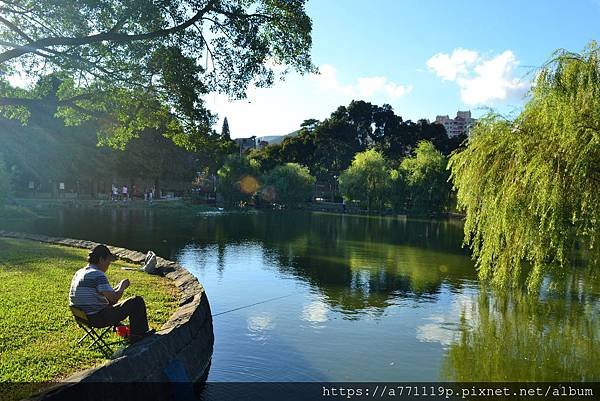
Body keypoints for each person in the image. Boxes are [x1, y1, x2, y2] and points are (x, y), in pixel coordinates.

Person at [69, 244, 154, 342]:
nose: (108, 265)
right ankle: (138, 336)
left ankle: (125, 331)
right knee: (136, 301)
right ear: (101, 259)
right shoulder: (97, 274)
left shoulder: (80, 272)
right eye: (108, 261)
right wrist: (122, 285)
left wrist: (116, 289)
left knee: (115, 304)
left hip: (82, 318)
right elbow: (114, 298)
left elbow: (106, 296)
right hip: (97, 318)